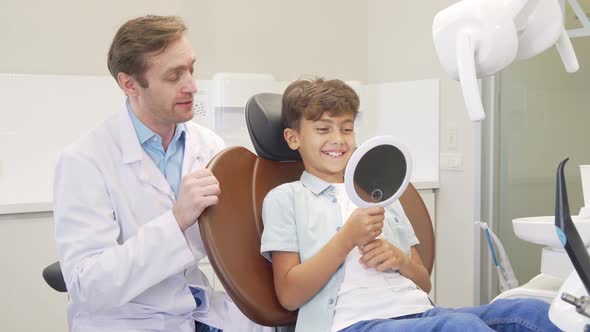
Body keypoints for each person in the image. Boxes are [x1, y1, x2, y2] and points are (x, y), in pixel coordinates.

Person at [260, 77, 561, 332]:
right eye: (323, 129)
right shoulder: (286, 199)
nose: (338, 139)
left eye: (347, 128)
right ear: (293, 138)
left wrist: (399, 259)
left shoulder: (379, 195)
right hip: (355, 322)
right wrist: (346, 239)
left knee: (532, 311)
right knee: (461, 328)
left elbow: (423, 282)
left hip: (421, 313)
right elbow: (289, 294)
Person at [54, 15, 272, 332]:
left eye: (191, 69)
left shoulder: (208, 145)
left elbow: (235, 242)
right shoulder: (84, 161)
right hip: (126, 320)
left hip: (196, 309)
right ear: (129, 84)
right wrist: (176, 219)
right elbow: (88, 285)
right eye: (174, 76)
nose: (192, 86)